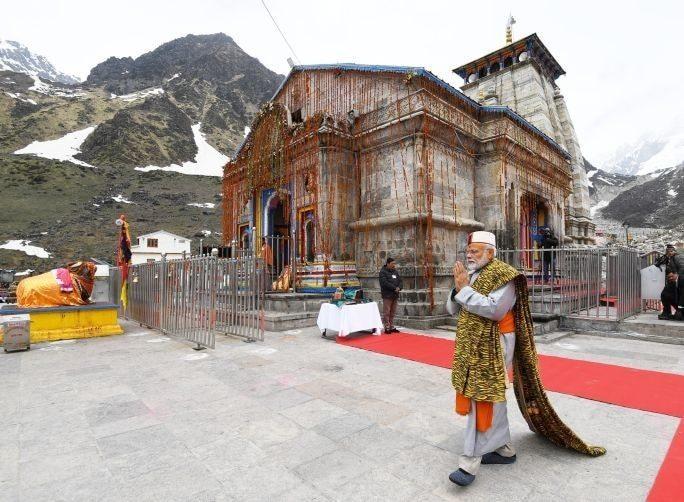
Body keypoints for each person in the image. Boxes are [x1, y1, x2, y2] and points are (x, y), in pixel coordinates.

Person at [445, 231, 604, 487]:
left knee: (481, 396)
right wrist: (457, 289)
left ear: (490, 252)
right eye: (468, 251)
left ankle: (468, 463)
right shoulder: (471, 274)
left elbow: (495, 310)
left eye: (475, 251)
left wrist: (463, 291)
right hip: (471, 344)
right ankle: (504, 449)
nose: (469, 255)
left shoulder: (506, 275)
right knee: (492, 395)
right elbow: (453, 308)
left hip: (494, 343)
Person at [655, 244, 684, 320]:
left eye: (671, 250)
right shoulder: (669, 258)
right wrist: (666, 256)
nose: (669, 252)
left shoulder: (678, 257)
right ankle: (668, 312)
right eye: (668, 250)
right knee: (665, 295)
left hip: (679, 281)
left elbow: (683, 267)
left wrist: (676, 275)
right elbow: (657, 264)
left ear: (675, 251)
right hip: (673, 283)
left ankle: (679, 312)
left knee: (670, 295)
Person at [379, 257, 402, 334]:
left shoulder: (395, 271)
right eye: (392, 264)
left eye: (394, 264)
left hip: (395, 295)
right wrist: (394, 288)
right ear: (388, 264)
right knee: (387, 312)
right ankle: (387, 327)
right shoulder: (382, 272)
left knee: (393, 312)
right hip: (387, 295)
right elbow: (384, 283)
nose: (394, 265)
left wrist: (399, 287)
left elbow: (400, 281)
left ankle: (392, 326)